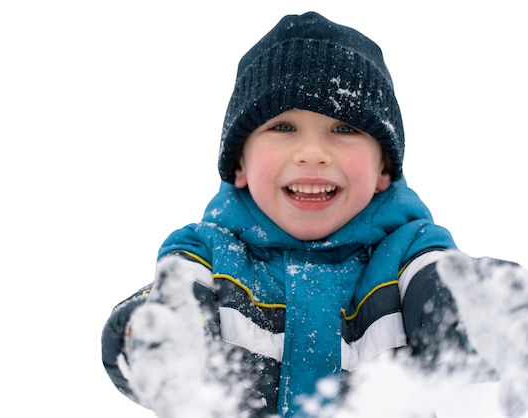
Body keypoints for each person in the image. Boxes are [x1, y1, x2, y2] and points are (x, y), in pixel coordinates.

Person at [101, 11, 528, 418]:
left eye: (344, 129)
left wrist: (497, 313)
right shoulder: (208, 255)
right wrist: (157, 337)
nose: (312, 153)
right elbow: (171, 306)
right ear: (239, 165)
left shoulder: (408, 256)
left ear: (383, 169)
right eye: (283, 127)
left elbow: (449, 298)